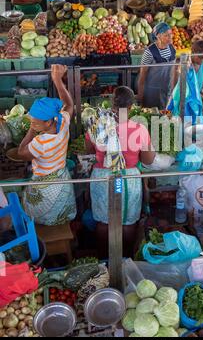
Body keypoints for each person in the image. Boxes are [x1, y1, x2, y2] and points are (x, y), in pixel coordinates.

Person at [85, 86, 155, 258]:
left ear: (111, 104)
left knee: (103, 221)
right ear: (131, 107)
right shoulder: (140, 129)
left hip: (102, 178)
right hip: (128, 180)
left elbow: (89, 154)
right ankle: (126, 259)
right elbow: (148, 160)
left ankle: (103, 260)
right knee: (128, 222)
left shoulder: (95, 126)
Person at [18, 65, 77, 226]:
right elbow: (69, 105)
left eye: (36, 122)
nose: (33, 124)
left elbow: (21, 153)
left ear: (49, 121)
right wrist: (58, 81)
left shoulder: (40, 142)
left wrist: (31, 131)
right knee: (61, 213)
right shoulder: (62, 122)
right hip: (62, 180)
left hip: (46, 188)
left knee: (37, 214)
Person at [168, 40, 203, 119]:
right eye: (201, 58)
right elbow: (175, 87)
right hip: (180, 101)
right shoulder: (181, 63)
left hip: (195, 102)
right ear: (193, 52)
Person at [138, 22, 176, 110]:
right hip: (152, 93)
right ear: (158, 36)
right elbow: (142, 76)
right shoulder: (149, 52)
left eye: (171, 34)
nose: (170, 37)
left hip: (168, 90)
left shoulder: (172, 48)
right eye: (167, 35)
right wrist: (140, 97)